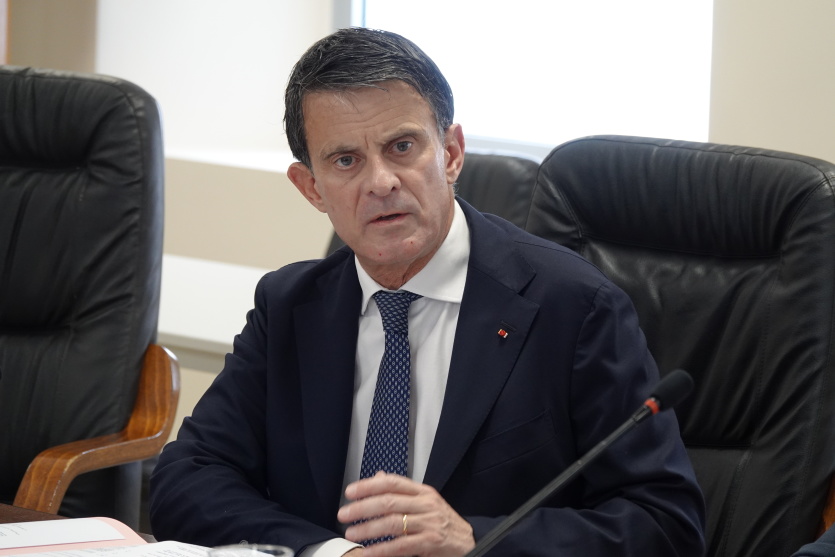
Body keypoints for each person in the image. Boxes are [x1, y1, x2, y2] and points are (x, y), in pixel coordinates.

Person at [149, 27, 705, 556]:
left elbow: (666, 524)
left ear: (452, 153)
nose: (381, 182)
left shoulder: (573, 308)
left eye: (402, 146)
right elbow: (187, 479)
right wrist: (334, 551)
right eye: (346, 160)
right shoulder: (289, 305)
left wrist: (472, 541)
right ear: (311, 187)